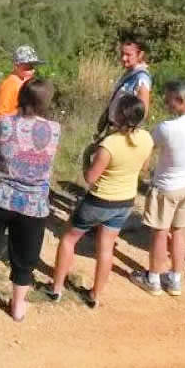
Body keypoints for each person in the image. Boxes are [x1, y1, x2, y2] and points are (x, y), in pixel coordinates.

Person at [0, 79, 61, 322]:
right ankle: (17, 307)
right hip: (33, 203)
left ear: (21, 96)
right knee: (25, 257)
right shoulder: (55, 129)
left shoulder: (4, 124)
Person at [48, 96, 153, 307]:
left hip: (99, 200)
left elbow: (90, 178)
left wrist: (88, 156)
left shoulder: (109, 144)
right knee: (106, 248)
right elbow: (144, 168)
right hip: (124, 202)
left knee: (69, 238)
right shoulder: (147, 138)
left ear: (119, 115)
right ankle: (95, 295)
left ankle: (56, 289)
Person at [130, 81, 185, 296]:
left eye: (168, 99)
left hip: (167, 186)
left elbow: (146, 146)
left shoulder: (167, 128)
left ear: (179, 100)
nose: (165, 103)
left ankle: (153, 278)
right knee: (179, 231)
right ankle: (175, 279)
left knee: (159, 233)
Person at [96, 39, 153, 138]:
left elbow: (143, 111)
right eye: (122, 54)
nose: (123, 58)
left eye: (128, 55)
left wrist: (127, 133)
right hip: (114, 128)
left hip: (123, 133)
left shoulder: (141, 78)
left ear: (140, 55)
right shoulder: (129, 73)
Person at [0, 45, 44, 118]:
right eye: (28, 67)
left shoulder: (24, 83)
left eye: (33, 66)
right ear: (16, 66)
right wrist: (24, 111)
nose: (33, 70)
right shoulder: (10, 84)